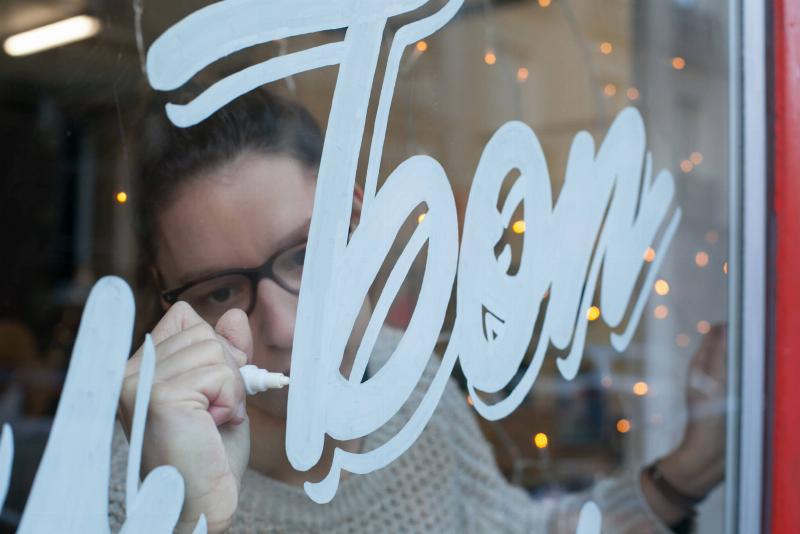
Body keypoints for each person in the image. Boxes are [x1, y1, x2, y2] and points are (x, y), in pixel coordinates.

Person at [110, 89, 726, 533]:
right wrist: (188, 519)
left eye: (304, 254)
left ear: (356, 222)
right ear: (165, 296)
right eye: (219, 292)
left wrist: (686, 472)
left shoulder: (408, 389)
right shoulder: (127, 483)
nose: (284, 326)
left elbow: (512, 529)